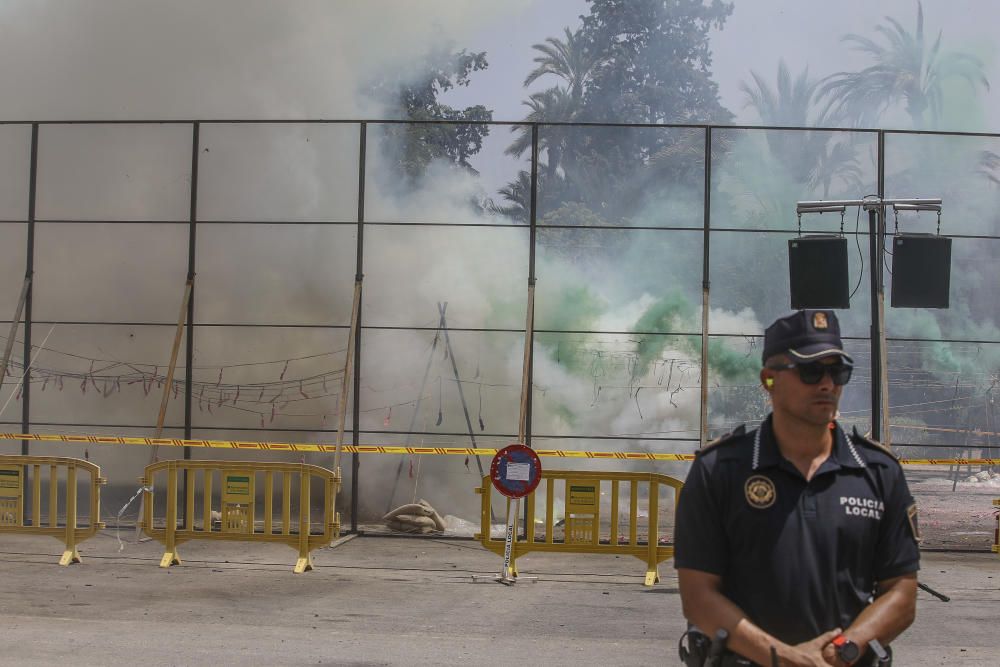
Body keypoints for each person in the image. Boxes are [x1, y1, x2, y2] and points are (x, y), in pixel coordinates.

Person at [674, 309, 920, 666]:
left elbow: (901, 592)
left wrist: (843, 649)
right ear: (768, 380)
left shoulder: (878, 472)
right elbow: (697, 596)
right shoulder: (720, 470)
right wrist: (786, 660)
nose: (827, 384)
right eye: (810, 371)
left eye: (838, 372)